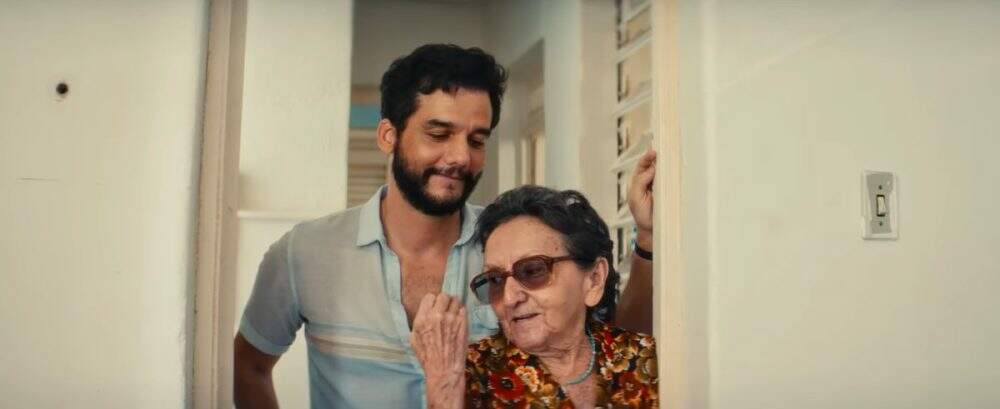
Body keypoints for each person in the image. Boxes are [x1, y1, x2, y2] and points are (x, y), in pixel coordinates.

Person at [234, 43, 657, 408]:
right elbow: (249, 366)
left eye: (476, 140)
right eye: (439, 134)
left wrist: (647, 239)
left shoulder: (510, 251)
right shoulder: (303, 253)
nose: (460, 157)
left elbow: (617, 354)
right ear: (388, 136)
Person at [411, 185, 657, 408]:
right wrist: (444, 393)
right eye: (495, 280)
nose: (509, 298)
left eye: (532, 271)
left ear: (593, 279)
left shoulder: (645, 358)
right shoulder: (466, 376)